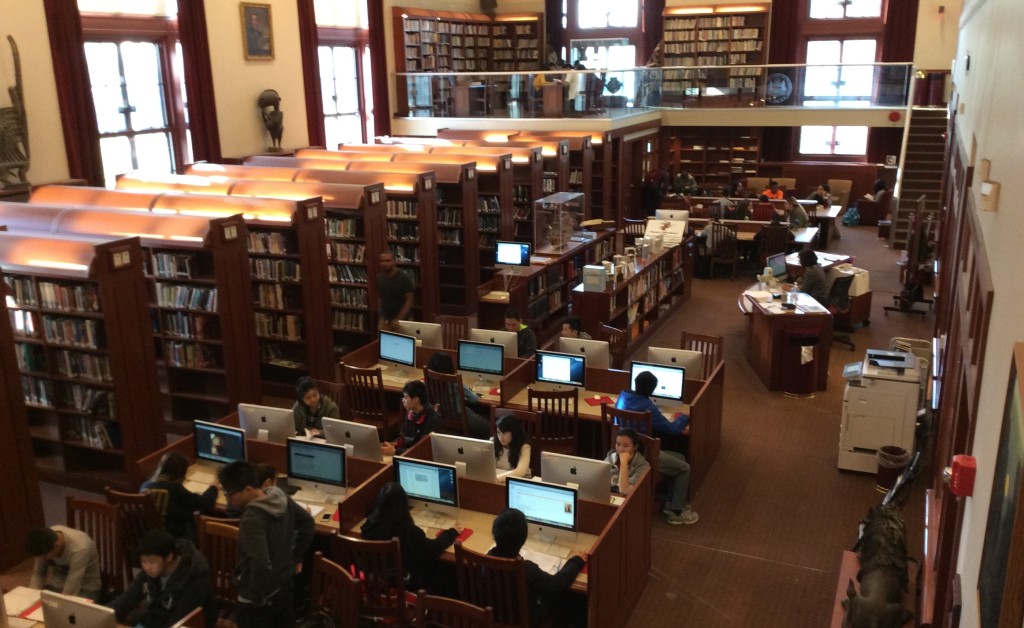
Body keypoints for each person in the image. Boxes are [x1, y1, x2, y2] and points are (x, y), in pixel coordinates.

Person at [217, 460, 314, 628]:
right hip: (284, 584)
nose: (227, 499)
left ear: (248, 490)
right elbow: (307, 524)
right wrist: (296, 557)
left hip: (259, 600)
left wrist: (253, 597)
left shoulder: (252, 519)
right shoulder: (279, 496)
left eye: (229, 494)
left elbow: (260, 562)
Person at [488, 508, 588, 626]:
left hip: (491, 618)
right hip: (526, 621)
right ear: (524, 538)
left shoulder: (484, 559)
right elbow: (557, 584)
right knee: (570, 600)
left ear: (494, 534)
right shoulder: (526, 569)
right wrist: (576, 561)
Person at [360, 482, 460, 592]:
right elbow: (432, 549)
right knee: (447, 571)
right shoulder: (406, 530)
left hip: (378, 583)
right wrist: (452, 532)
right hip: (406, 583)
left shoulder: (369, 525)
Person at [108, 529, 216, 628]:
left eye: (152, 562)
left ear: (169, 557)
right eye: (143, 561)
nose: (147, 567)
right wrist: (104, 614)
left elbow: (179, 622)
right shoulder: (152, 570)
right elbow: (127, 598)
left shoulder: (193, 580)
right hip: (155, 619)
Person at [605, 427, 698, 525]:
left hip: (628, 505)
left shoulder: (642, 466)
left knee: (680, 463)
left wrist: (623, 464)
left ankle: (675, 510)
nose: (620, 449)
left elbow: (624, 491)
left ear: (635, 447)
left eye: (625, 446)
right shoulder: (612, 457)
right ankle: (672, 503)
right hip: (608, 495)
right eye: (618, 444)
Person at [141, 451, 218, 541]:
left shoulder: (145, 486)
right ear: (181, 473)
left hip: (149, 537)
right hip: (174, 539)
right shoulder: (174, 489)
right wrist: (214, 487)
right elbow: (205, 502)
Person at [425, 352, 490, 439]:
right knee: (489, 427)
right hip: (460, 417)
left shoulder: (430, 380)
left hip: (439, 416)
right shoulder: (454, 381)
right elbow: (474, 400)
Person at [25, 525, 101, 599]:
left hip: (85, 587)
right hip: (57, 584)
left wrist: (60, 604)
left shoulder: (80, 548)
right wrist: (33, 595)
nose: (43, 560)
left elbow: (72, 586)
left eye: (45, 557)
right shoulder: (46, 538)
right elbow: (39, 572)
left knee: (64, 610)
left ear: (57, 546)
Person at [382, 380, 440, 456]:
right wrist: (394, 444)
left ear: (416, 399)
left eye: (406, 397)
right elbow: (404, 436)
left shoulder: (432, 419)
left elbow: (422, 450)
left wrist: (395, 452)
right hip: (407, 453)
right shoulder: (411, 413)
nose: (403, 400)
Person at [376, 251, 414, 332]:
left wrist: (398, 319)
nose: (384, 264)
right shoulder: (380, 278)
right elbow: (380, 297)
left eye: (387, 261)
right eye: (382, 261)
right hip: (385, 320)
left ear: (393, 261)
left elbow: (409, 300)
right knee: (383, 343)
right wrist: (381, 316)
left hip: (403, 320)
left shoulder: (403, 277)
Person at [493, 414, 532, 482]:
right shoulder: (493, 442)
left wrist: (496, 479)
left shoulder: (525, 447)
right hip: (499, 479)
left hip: (519, 482)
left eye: (504, 433)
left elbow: (520, 472)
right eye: (498, 433)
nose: (500, 437)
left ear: (513, 433)